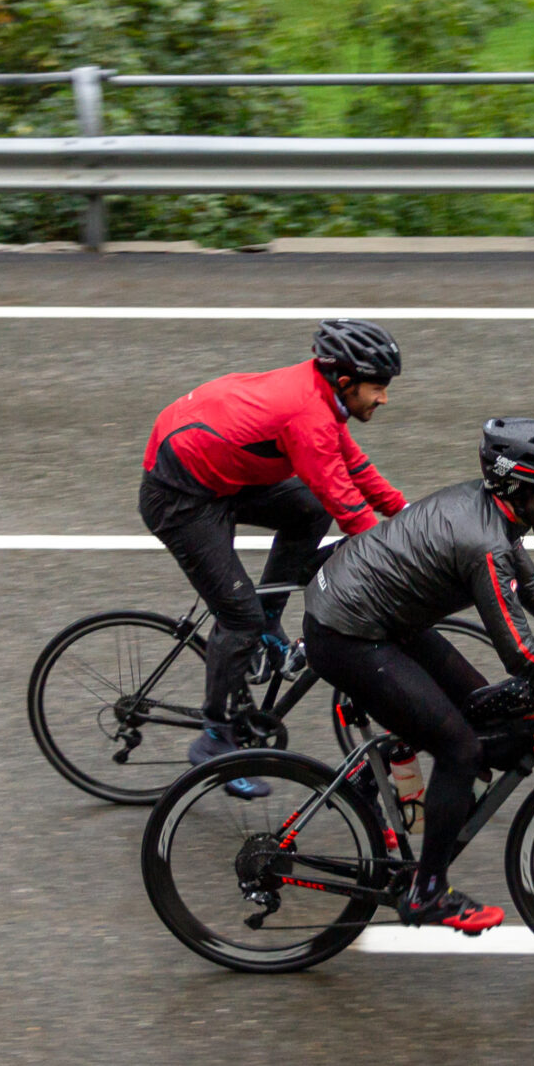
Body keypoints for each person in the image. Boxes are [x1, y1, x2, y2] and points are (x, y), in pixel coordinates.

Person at [303, 418, 534, 934]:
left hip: (378, 617)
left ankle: (389, 775)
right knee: (460, 749)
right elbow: (520, 652)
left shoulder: (493, 511)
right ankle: (427, 892)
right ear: (521, 486)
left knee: (482, 710)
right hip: (349, 636)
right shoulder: (483, 542)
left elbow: (532, 585)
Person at [142, 320, 407, 776]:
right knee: (237, 616)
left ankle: (267, 625)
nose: (384, 398)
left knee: (306, 511)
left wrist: (408, 518)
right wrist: (400, 555)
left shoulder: (323, 397)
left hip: (218, 470)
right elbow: (346, 503)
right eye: (378, 387)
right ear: (345, 382)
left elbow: (356, 466)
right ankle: (214, 736)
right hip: (179, 494)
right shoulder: (307, 416)